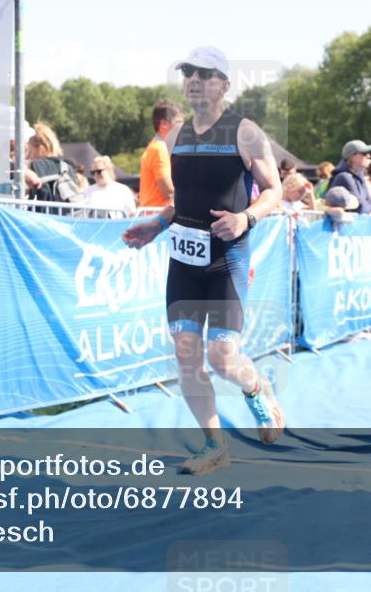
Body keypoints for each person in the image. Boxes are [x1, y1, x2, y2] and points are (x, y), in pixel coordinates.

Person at [122, 46, 284, 474]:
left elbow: (274, 191)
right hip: (184, 261)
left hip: (225, 260)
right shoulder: (176, 137)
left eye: (205, 73)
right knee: (187, 353)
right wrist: (155, 226)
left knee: (222, 357)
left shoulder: (245, 132)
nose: (194, 78)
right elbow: (184, 202)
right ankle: (215, 444)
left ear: (224, 85)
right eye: (188, 72)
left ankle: (256, 387)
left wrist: (246, 217)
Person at [139, 100, 183, 208]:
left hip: (154, 216)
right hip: (157, 216)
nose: (183, 127)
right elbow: (168, 192)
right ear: (164, 124)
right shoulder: (159, 149)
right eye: (178, 122)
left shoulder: (156, 147)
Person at [24, 123, 80, 205]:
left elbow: (40, 194)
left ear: (40, 148)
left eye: (30, 153)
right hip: (65, 216)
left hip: (42, 216)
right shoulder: (69, 168)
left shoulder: (37, 165)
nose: (29, 158)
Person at [325, 139, 371, 213]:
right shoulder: (344, 177)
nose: (368, 156)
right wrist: (367, 206)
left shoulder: (360, 176)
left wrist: (367, 206)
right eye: (364, 153)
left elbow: (370, 205)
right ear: (352, 156)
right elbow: (361, 208)